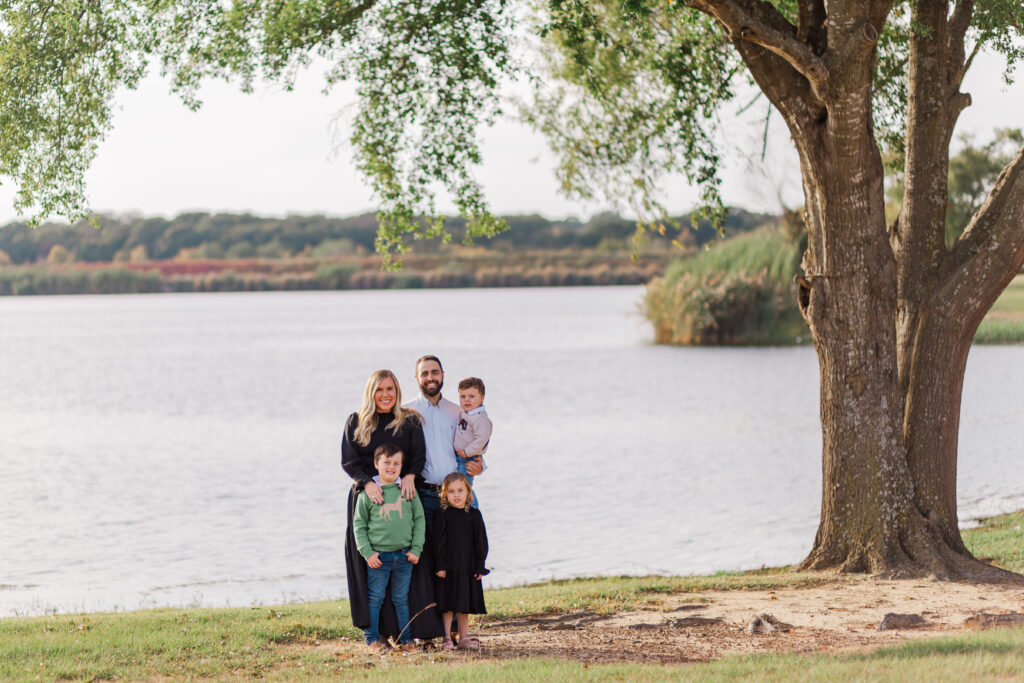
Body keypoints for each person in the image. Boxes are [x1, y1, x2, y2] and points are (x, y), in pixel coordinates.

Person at [341, 369, 441, 640]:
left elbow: (419, 456)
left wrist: (409, 476)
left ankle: (411, 632)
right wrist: (366, 483)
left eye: (390, 389)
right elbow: (349, 460)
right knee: (370, 567)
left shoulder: (408, 421)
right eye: (380, 389)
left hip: (404, 494)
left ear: (397, 392)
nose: (385, 395)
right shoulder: (356, 421)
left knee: (408, 567)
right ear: (371, 392)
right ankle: (374, 635)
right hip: (367, 495)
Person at [352, 443, 426, 652]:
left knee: (401, 600)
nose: (391, 467)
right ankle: (372, 640)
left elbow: (419, 520)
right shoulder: (368, 493)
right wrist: (367, 553)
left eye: (396, 463)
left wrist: (416, 548)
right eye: (386, 462)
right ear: (376, 464)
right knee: (375, 599)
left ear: (402, 466)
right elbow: (359, 526)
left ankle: (406, 640)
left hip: (404, 556)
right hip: (379, 557)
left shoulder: (407, 490)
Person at [406, 356, 485, 530]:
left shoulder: (457, 411)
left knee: (469, 550)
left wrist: (480, 465)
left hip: (458, 495)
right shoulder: (406, 412)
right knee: (431, 553)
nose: (430, 377)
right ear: (416, 378)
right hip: (424, 497)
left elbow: (473, 441)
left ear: (442, 375)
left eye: (435, 372)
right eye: (424, 373)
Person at [433, 472, 489, 650]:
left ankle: (464, 637)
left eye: (460, 490)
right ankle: (447, 637)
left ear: (468, 492)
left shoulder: (474, 515)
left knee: (464, 603)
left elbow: (481, 542)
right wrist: (440, 564)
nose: (456, 495)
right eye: (451, 491)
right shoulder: (441, 514)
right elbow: (437, 542)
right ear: (444, 494)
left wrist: (479, 565)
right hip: (448, 566)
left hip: (467, 565)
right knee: (448, 604)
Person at [453, 377, 492, 508]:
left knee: (464, 487)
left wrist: (466, 452)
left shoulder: (480, 418)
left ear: (482, 398)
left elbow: (481, 440)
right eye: (463, 396)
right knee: (459, 487)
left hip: (468, 458)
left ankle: (473, 509)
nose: (466, 400)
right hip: (461, 456)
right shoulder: (466, 413)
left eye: (471, 396)